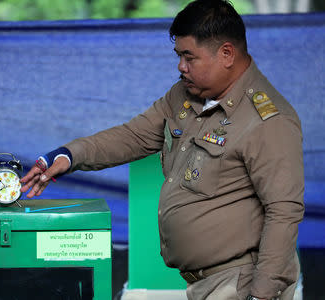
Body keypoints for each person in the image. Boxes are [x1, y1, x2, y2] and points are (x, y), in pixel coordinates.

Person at [20, 0, 304, 299]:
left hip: (241, 284)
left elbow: (283, 212)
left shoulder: (269, 121)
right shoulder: (186, 95)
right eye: (178, 55)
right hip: (207, 284)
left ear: (227, 54)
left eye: (189, 57)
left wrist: (261, 295)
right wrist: (68, 155)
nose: (180, 67)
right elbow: (133, 135)